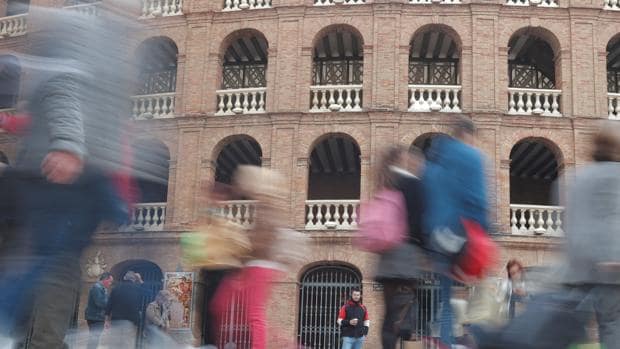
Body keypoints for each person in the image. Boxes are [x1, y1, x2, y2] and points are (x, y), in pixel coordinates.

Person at [0, 3, 141, 347]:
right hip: (63, 173)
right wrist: (68, 146)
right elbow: (62, 90)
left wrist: (114, 189)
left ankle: (32, 335)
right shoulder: (82, 34)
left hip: (84, 176)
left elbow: (108, 126)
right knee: (48, 258)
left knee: (53, 260)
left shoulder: (114, 46)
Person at [422, 116, 488, 347]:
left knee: (445, 298)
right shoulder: (472, 156)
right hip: (463, 233)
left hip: (438, 238)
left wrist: (428, 243)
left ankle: (446, 343)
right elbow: (477, 197)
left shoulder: (432, 166)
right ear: (468, 135)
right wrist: (485, 231)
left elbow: (426, 203)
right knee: (481, 294)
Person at [562, 121, 620, 348]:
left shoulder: (578, 177)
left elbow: (570, 221)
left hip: (577, 269)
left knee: (575, 331)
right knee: (611, 325)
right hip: (609, 268)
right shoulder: (616, 176)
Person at [373, 145, 428, 349]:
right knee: (405, 310)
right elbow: (420, 221)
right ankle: (406, 336)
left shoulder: (385, 181)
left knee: (390, 314)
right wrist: (426, 250)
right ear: (404, 160)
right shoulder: (413, 184)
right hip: (406, 255)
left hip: (386, 256)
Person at [105, 271, 146, 348]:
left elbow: (109, 304)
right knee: (128, 344)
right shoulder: (138, 288)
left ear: (124, 278)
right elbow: (150, 293)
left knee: (114, 344)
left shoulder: (116, 288)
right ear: (134, 279)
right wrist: (140, 280)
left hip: (116, 320)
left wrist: (107, 320)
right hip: (131, 322)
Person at [84, 272, 113, 349]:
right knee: (94, 339)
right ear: (105, 279)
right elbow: (100, 303)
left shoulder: (102, 288)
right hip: (95, 317)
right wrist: (111, 303)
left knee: (95, 339)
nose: (110, 284)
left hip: (97, 316)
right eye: (110, 281)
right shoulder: (97, 288)